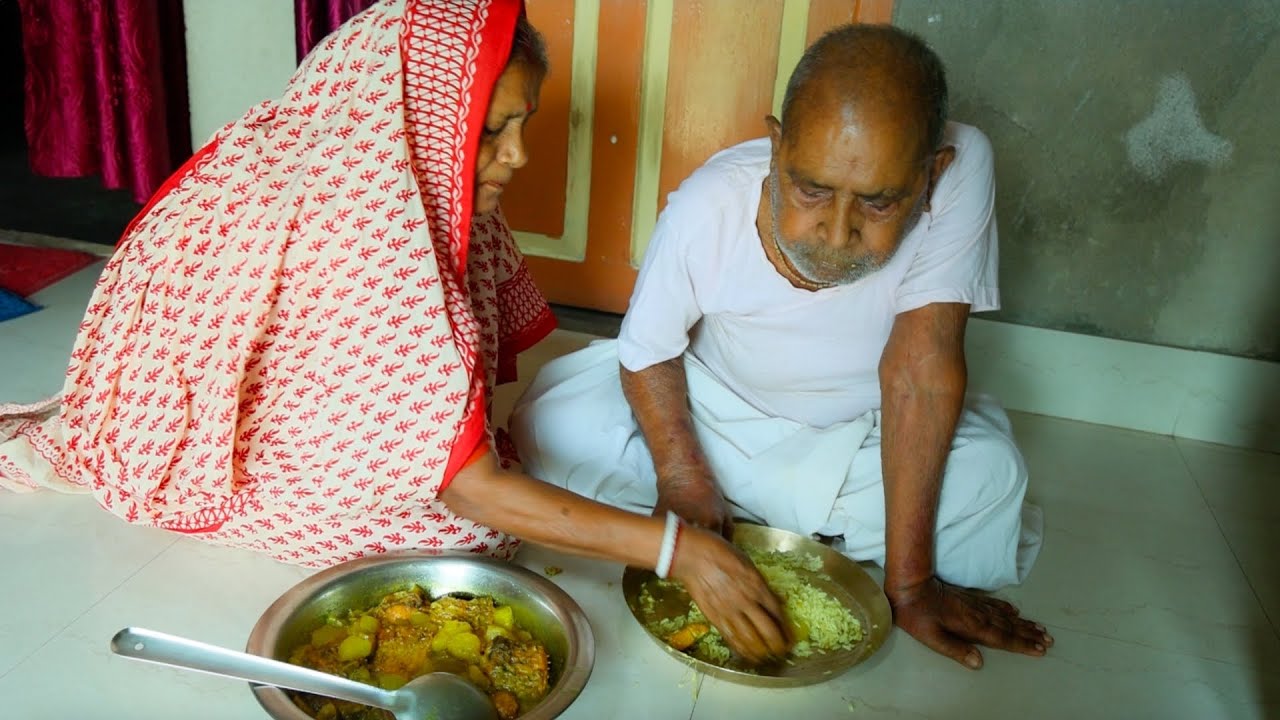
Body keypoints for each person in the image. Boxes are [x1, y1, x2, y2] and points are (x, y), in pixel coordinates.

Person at [0, 0, 790, 664]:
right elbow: (468, 486)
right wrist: (673, 551)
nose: (516, 156)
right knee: (455, 528)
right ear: (430, 115)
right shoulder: (366, 221)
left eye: (523, 126)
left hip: (259, 374)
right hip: (201, 410)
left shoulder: (401, 158)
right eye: (494, 130)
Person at [510, 24, 1053, 669]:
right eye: (812, 189)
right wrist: (683, 474)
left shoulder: (963, 165)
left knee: (989, 484)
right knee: (554, 422)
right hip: (715, 413)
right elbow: (647, 350)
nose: (837, 229)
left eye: (878, 203)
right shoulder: (709, 204)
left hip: (859, 434)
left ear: (930, 175)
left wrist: (910, 587)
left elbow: (920, 372)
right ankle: (788, 523)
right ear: (776, 147)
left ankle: (741, 517)